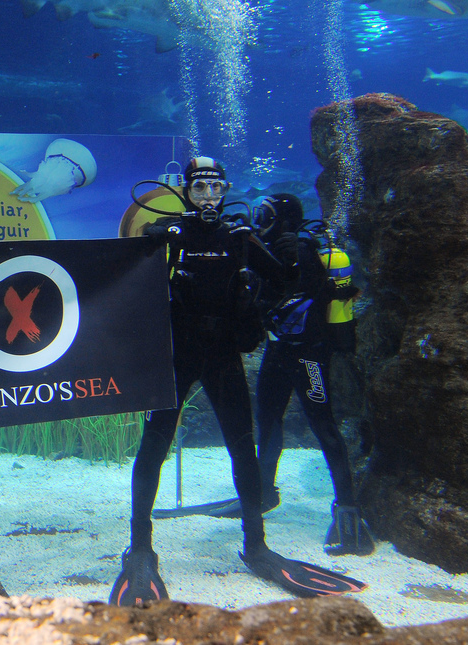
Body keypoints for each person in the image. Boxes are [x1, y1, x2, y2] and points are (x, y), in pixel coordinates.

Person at [110, 158, 366, 606]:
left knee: (241, 447)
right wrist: (151, 240)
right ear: (185, 191)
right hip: (179, 356)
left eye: (215, 188)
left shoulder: (239, 237)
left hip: (223, 356)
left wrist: (289, 254)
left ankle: (256, 544)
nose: (209, 197)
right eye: (200, 188)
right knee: (155, 444)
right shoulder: (175, 235)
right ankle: (140, 547)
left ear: (226, 189)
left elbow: (286, 280)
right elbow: (121, 277)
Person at [211, 193, 374, 556]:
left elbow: (308, 297)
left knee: (323, 425)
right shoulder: (266, 248)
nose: (259, 219)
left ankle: (348, 511)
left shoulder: (301, 248)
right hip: (278, 350)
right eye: (258, 213)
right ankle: (264, 493)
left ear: (283, 219)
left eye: (265, 214)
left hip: (309, 355)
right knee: (267, 419)